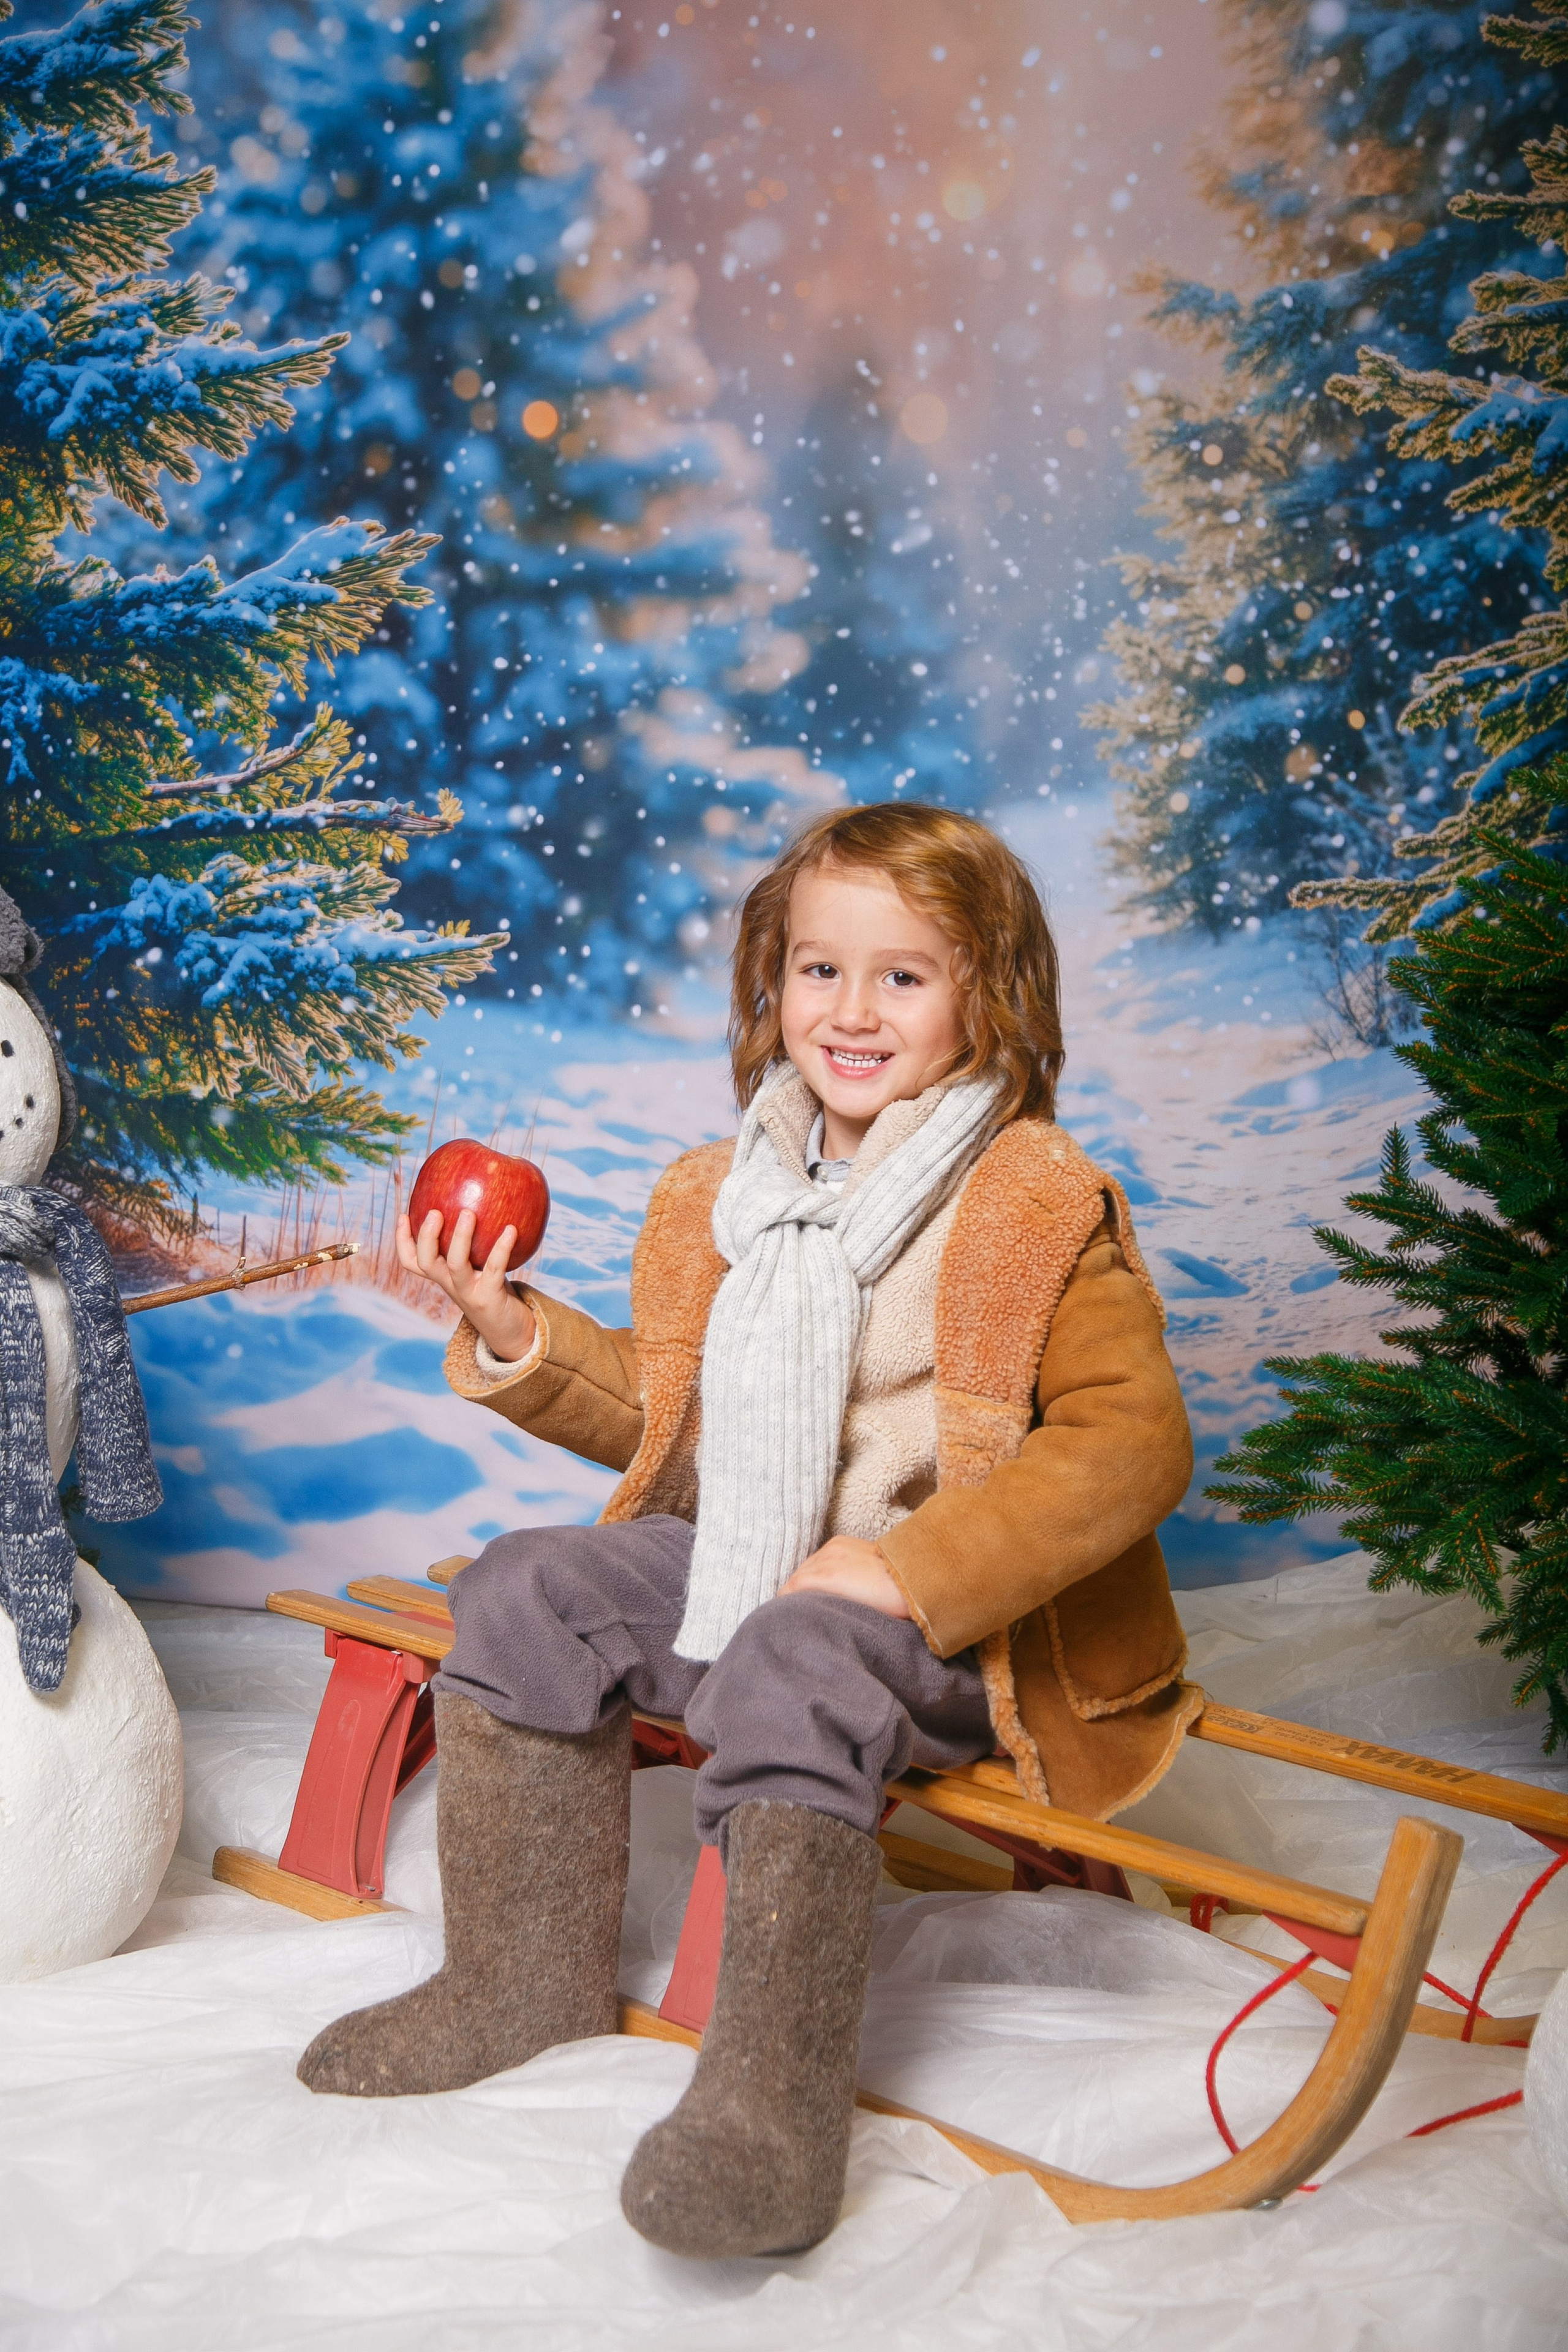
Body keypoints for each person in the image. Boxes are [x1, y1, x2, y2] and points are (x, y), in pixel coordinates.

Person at [296, 801, 1196, 2259]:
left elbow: (1129, 1445)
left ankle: (770, 2112)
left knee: (797, 1654)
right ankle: (513, 1978)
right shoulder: (720, 1197)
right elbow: (675, 1420)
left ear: (989, 997)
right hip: (752, 1576)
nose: (849, 1010)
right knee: (529, 1587)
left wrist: (907, 1568)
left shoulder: (1032, 1199)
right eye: (816, 970)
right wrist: (515, 1331)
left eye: (903, 975)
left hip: (959, 1629)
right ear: (768, 985)